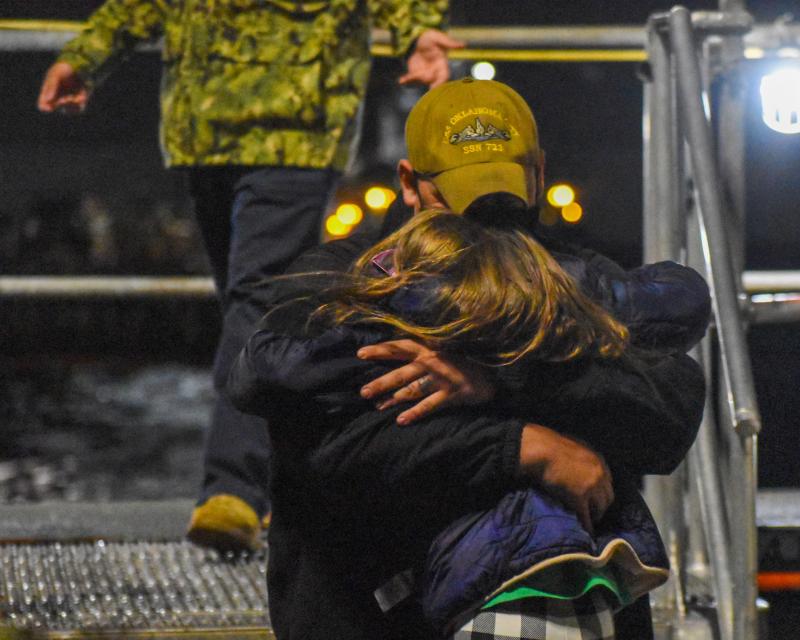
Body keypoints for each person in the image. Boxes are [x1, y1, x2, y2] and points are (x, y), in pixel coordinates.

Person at [237, 78, 711, 638]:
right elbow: (327, 454)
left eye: (503, 191)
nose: (485, 218)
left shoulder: (573, 276)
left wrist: (501, 377)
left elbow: (670, 411)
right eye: (462, 195)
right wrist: (522, 446)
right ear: (410, 184)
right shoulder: (343, 283)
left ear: (537, 173)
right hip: (374, 613)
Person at [36, 0, 465, 550]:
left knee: (256, 300)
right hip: (207, 131)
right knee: (252, 307)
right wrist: (86, 59)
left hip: (294, 128)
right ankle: (283, 478)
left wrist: (419, 32)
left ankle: (233, 488)